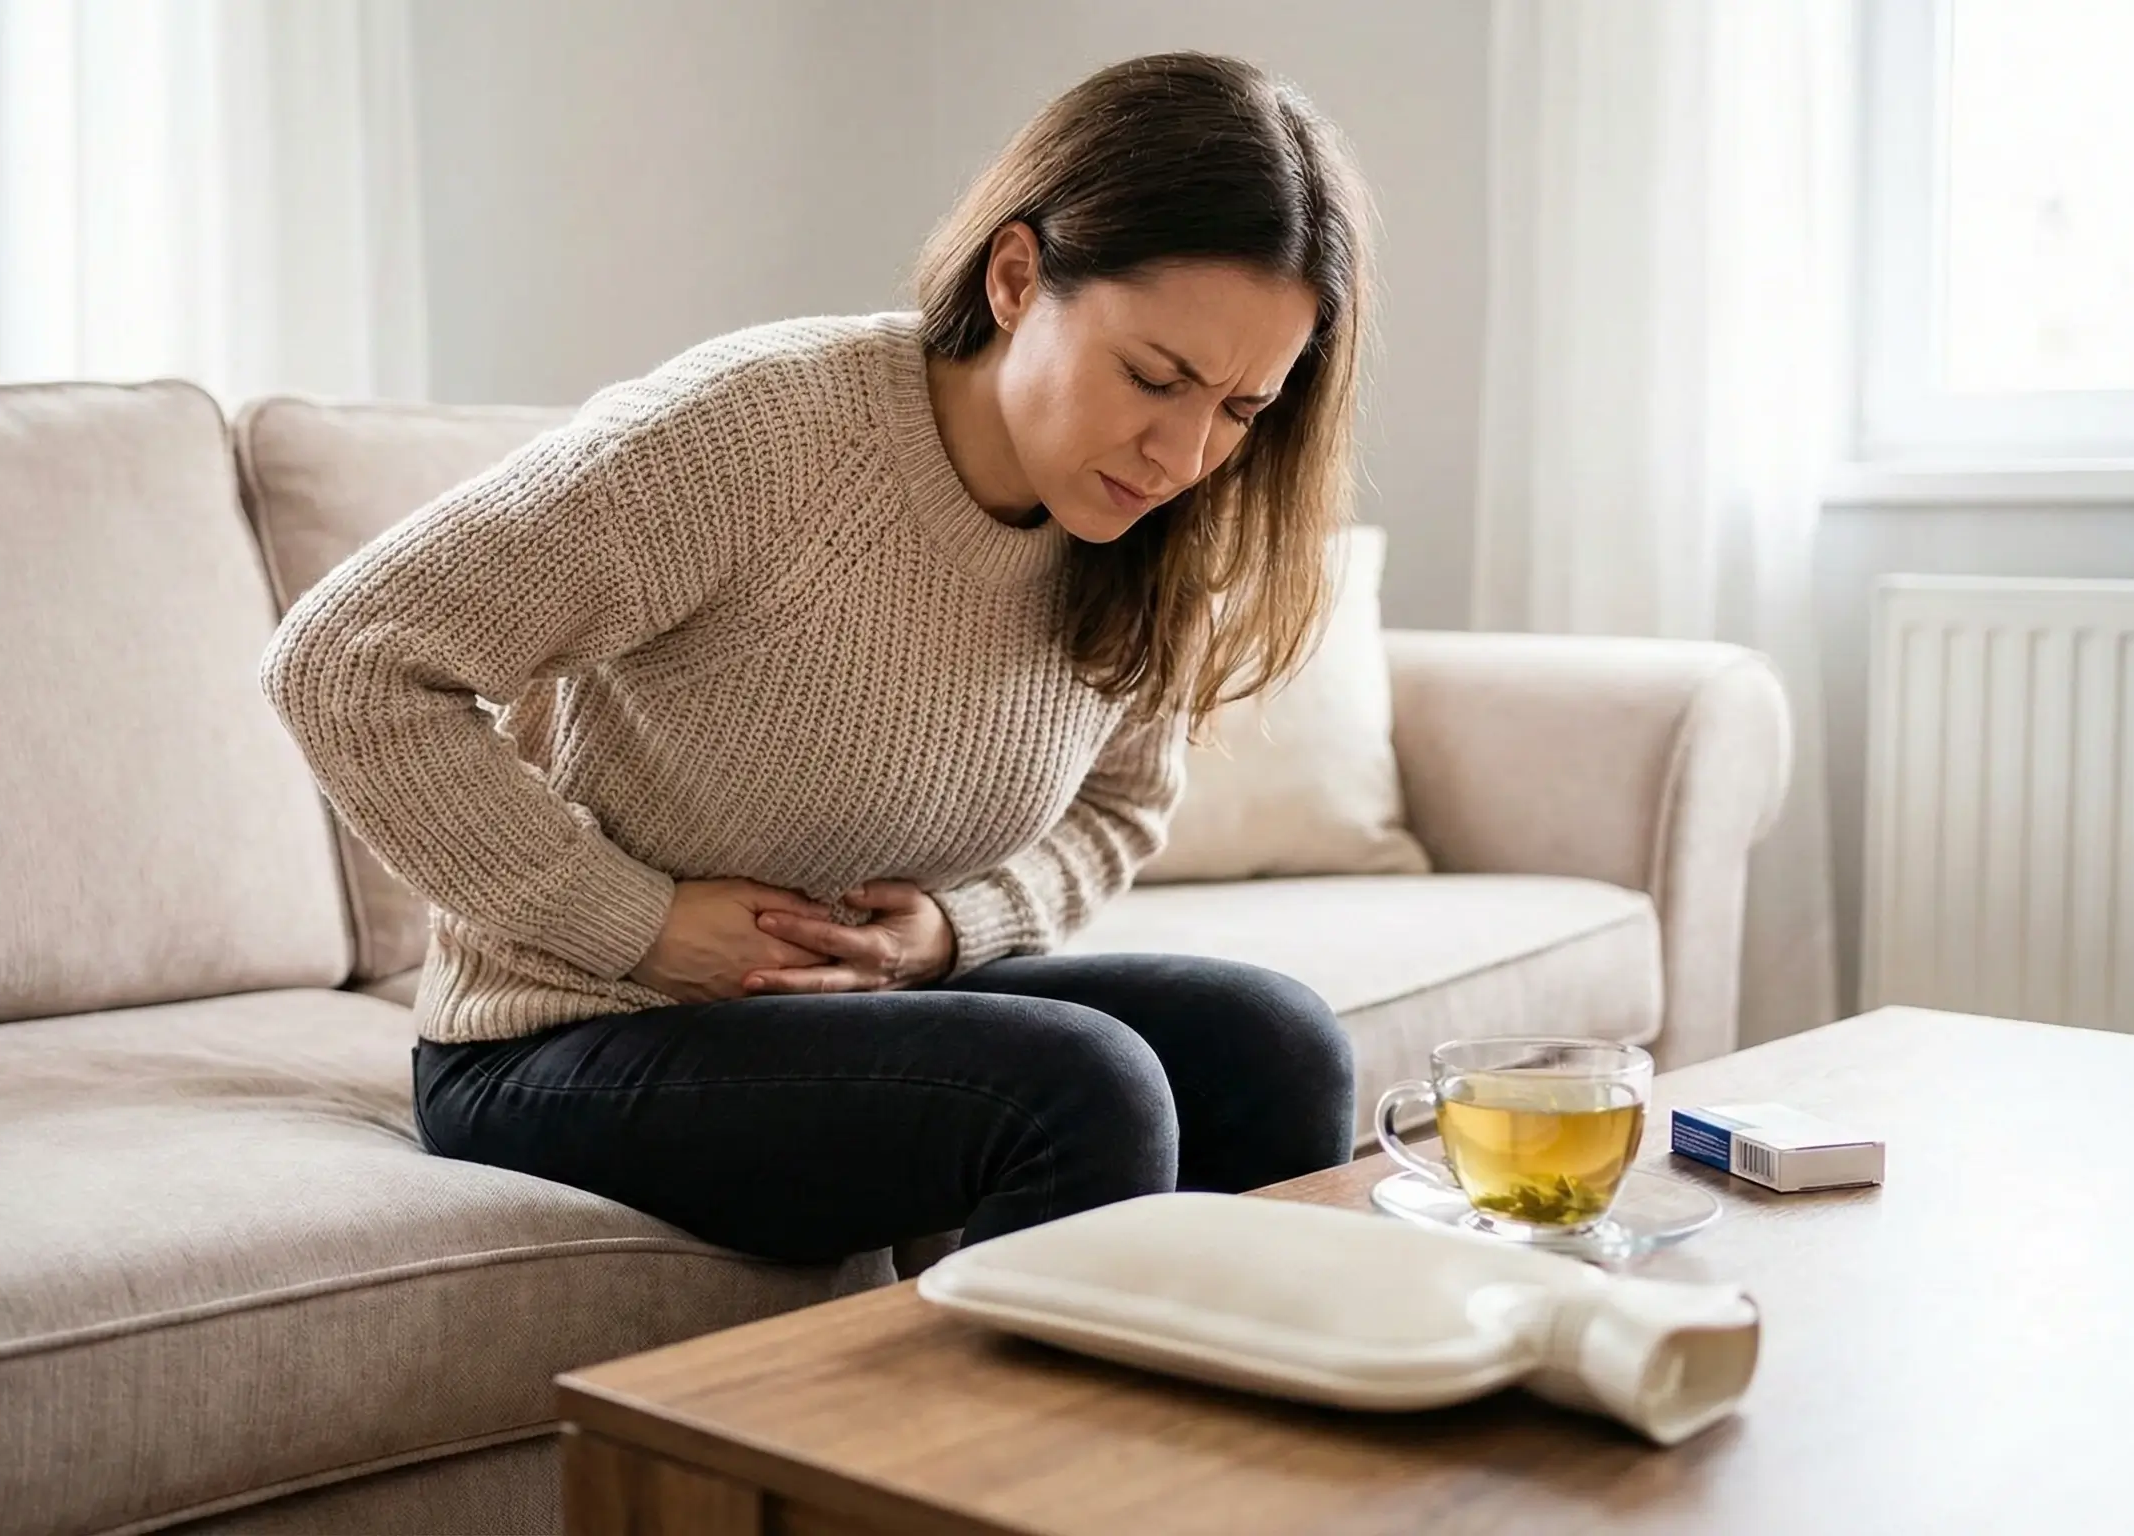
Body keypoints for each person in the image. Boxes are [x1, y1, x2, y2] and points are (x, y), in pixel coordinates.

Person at [262, 51, 1372, 1265]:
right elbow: (347, 662)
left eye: (1240, 409)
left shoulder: (1150, 527)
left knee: (1273, 1042)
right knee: (1079, 1086)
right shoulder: (759, 433)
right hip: (566, 1038)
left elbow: (1116, 807)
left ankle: (1225, 1388)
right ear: (1014, 278)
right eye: (1153, 378)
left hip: (866, 1014)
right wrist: (636, 923)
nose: (1185, 453)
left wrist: (951, 929)